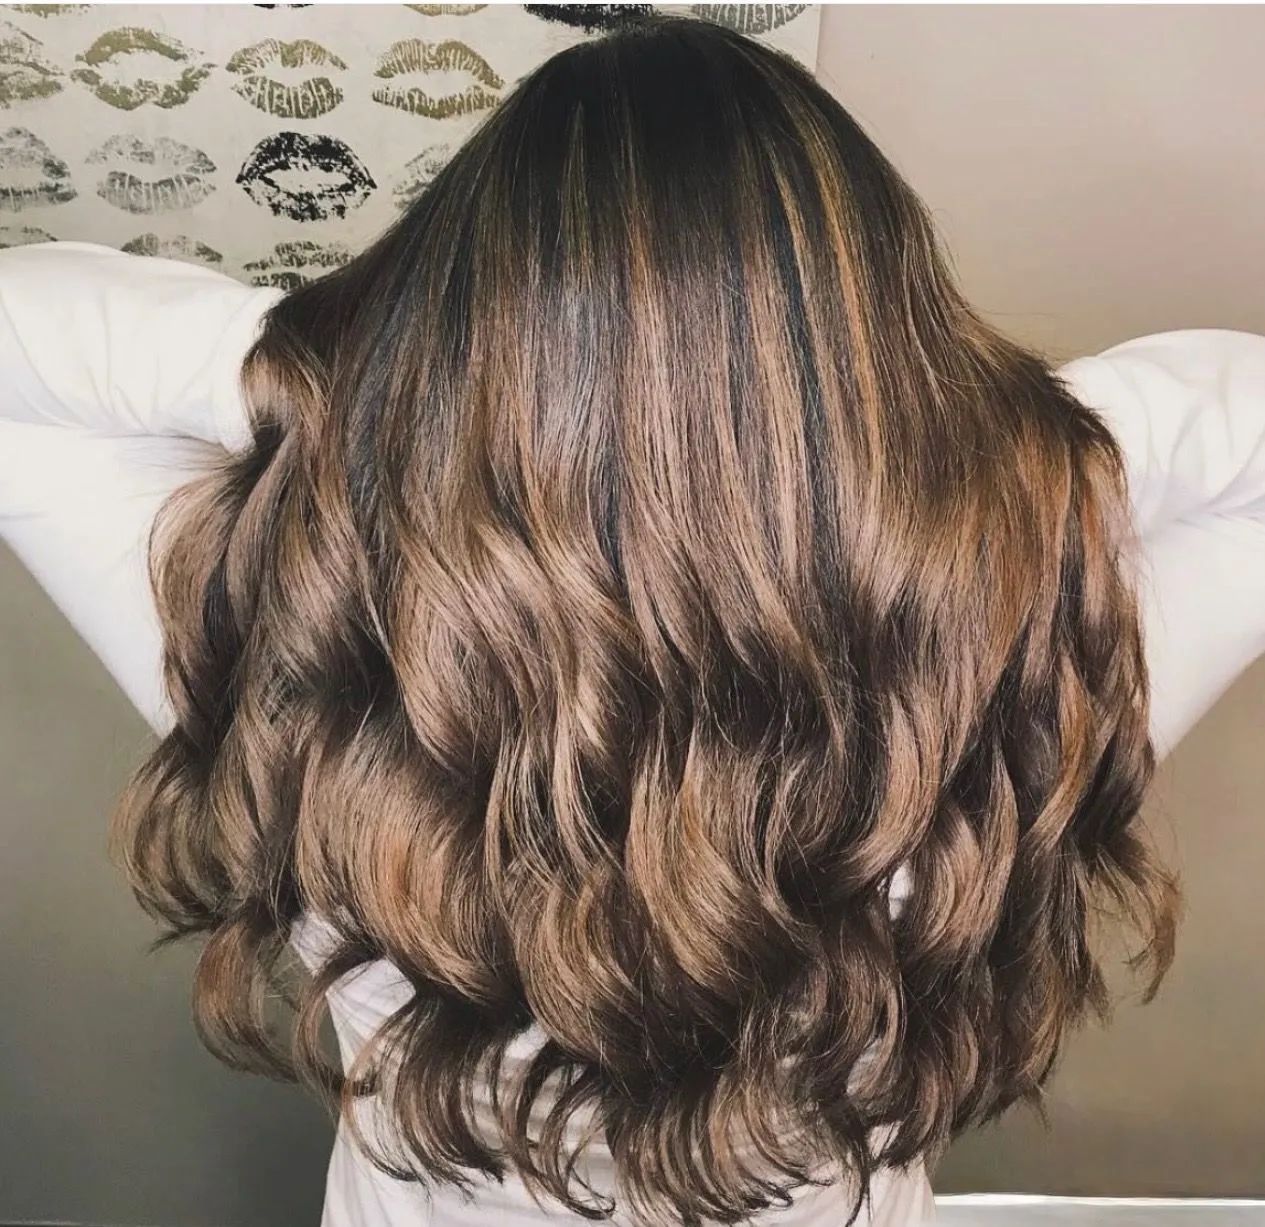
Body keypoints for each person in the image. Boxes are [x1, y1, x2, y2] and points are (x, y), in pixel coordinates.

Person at [2, 14, 1263, 1227]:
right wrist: (1014, 453)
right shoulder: (1019, 677)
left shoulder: (299, 652)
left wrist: (323, 379)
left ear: (440, 338)